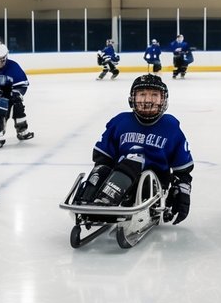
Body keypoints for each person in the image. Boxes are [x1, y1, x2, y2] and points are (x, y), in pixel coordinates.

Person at [75, 74, 193, 224]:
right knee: (102, 169)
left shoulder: (170, 126)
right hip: (119, 176)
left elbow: (182, 169)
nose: (148, 100)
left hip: (150, 184)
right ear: (132, 98)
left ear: (163, 100)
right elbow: (103, 156)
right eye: (142, 94)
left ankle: (105, 201)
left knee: (134, 159)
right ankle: (87, 200)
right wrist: (100, 172)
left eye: (154, 95)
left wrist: (181, 190)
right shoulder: (120, 121)